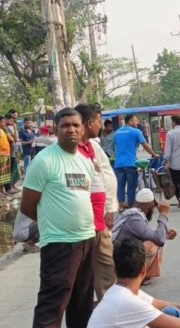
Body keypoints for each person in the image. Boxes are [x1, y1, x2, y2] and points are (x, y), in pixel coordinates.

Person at [21, 108, 96, 328]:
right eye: (65, 125)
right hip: (60, 245)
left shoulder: (85, 163)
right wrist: (54, 224)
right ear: (56, 129)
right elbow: (28, 206)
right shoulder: (44, 161)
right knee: (51, 313)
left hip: (87, 240)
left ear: (82, 128)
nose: (71, 129)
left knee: (81, 309)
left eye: (75, 125)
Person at [75, 103, 118, 302]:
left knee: (106, 266)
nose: (101, 126)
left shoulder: (93, 146)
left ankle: (108, 306)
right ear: (89, 123)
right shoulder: (73, 151)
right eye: (99, 122)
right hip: (84, 221)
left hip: (101, 219)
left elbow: (102, 176)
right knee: (84, 269)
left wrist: (109, 207)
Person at [112, 189, 177, 283]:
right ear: (150, 206)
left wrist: (164, 232)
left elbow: (148, 233)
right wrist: (163, 214)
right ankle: (140, 276)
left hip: (122, 253)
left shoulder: (134, 214)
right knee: (152, 244)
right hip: (121, 257)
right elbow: (159, 239)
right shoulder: (135, 218)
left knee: (153, 240)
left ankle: (141, 274)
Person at [114, 114, 159, 209]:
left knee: (120, 186)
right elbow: (146, 145)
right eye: (135, 120)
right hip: (130, 163)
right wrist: (154, 155)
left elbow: (116, 147)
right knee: (131, 186)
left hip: (118, 164)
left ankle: (121, 206)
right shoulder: (136, 132)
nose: (137, 122)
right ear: (130, 121)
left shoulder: (117, 132)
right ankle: (131, 206)